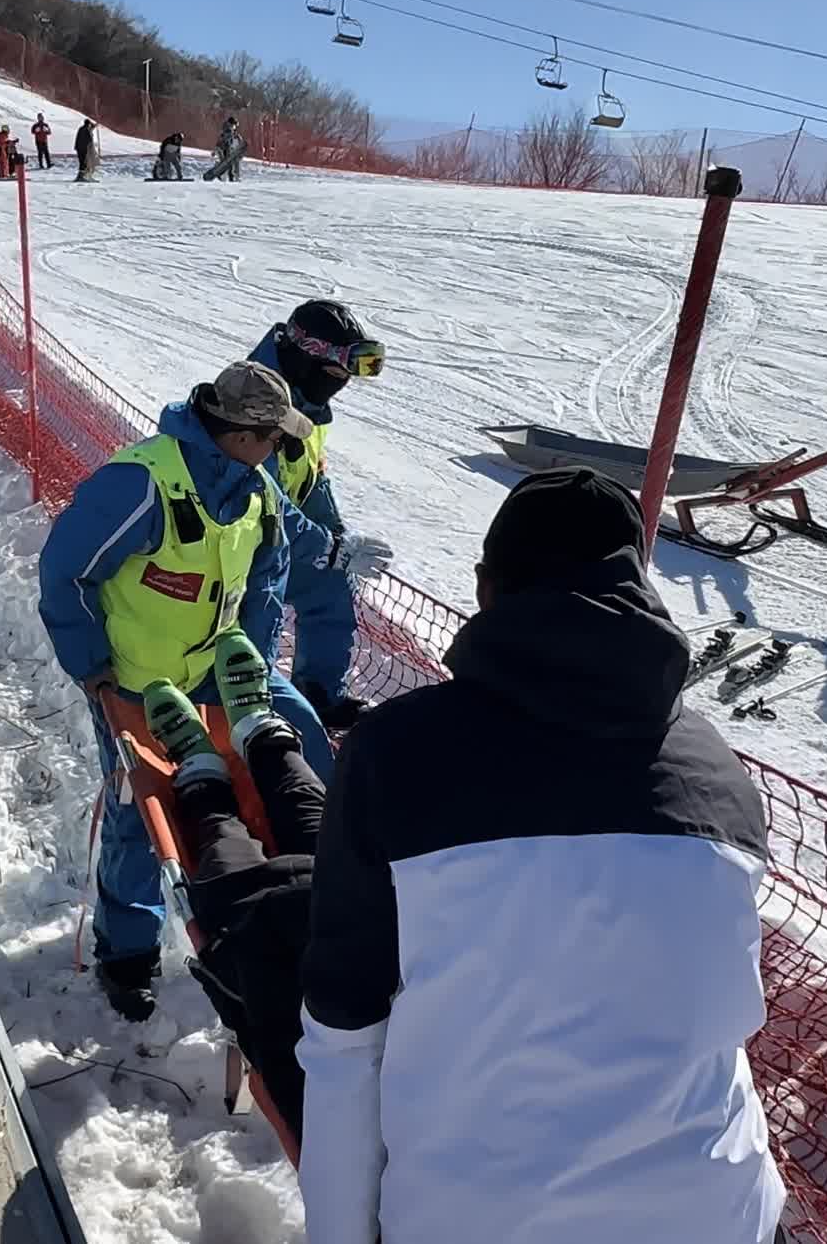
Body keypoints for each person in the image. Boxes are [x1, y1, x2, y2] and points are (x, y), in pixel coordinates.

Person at [297, 467, 787, 1244]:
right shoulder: (720, 775)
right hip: (722, 1214)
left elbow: (344, 1037)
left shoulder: (399, 752)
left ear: (487, 589)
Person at [37, 362, 389, 1021]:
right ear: (241, 432)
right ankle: (128, 953)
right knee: (142, 817)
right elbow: (65, 570)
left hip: (217, 670)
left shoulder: (252, 485)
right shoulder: (141, 485)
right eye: (275, 438)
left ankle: (295, 906)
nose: (282, 451)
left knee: (295, 748)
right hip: (136, 683)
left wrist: (249, 656)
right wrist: (91, 663)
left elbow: (270, 568)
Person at [141, 629, 319, 1144]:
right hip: (343, 904)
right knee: (311, 807)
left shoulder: (340, 1138)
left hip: (255, 921)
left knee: (219, 830)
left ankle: (199, 762)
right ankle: (258, 730)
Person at [248, 300, 388, 728]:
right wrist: (327, 545)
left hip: (275, 538)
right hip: (228, 543)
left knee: (329, 586)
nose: (339, 386)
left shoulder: (306, 402)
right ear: (305, 356)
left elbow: (309, 479)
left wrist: (335, 535)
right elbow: (262, 496)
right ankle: (250, 708)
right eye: (334, 375)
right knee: (257, 616)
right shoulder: (255, 401)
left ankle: (318, 695)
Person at [74, 117, 98, 182]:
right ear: (88, 124)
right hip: (83, 148)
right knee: (84, 163)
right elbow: (90, 139)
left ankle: (82, 176)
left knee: (82, 162)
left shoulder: (81, 128)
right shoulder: (87, 130)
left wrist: (94, 126)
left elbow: (90, 129)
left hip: (79, 148)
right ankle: (82, 177)